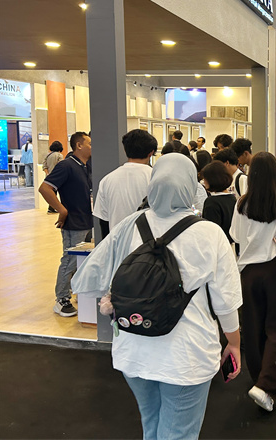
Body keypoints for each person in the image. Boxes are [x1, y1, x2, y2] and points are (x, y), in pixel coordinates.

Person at [71, 154, 242, 439]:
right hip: (187, 354)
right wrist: (233, 343)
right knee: (179, 432)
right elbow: (226, 301)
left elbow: (92, 276)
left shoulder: (129, 224)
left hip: (133, 348)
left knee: (151, 423)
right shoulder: (209, 234)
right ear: (190, 185)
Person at [230, 152, 276, 412]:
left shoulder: (242, 204)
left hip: (248, 273)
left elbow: (237, 238)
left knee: (252, 327)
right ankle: (267, 385)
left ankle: (258, 378)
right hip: (275, 271)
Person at [38, 132, 93, 317]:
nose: (92, 147)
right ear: (79, 145)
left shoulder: (86, 166)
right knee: (69, 260)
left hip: (88, 220)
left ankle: (76, 290)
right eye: (89, 144)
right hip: (74, 222)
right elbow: (45, 188)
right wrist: (61, 210)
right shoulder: (66, 165)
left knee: (82, 261)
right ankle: (61, 299)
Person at [93, 130, 157, 237]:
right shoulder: (156, 178)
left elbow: (104, 221)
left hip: (117, 242)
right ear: (151, 152)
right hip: (150, 243)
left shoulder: (107, 180)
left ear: (125, 149)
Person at [201, 161, 236, 243]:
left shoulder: (211, 202)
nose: (203, 182)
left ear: (211, 180)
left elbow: (211, 231)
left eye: (205, 179)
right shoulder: (233, 198)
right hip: (233, 243)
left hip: (219, 244)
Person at [42, 141, 64, 214]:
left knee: (52, 194)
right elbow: (61, 166)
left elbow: (44, 166)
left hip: (49, 177)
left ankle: (51, 208)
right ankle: (60, 208)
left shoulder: (48, 155)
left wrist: (48, 174)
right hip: (57, 177)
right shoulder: (59, 155)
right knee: (60, 193)